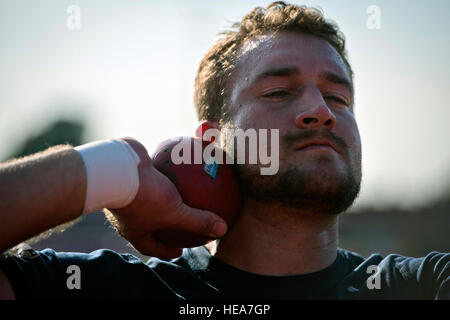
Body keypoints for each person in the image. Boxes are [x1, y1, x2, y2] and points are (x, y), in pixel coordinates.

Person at [0, 2, 448, 300]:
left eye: (338, 98)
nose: (320, 111)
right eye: (277, 92)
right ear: (212, 141)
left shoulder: (419, 287)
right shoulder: (114, 290)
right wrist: (113, 168)